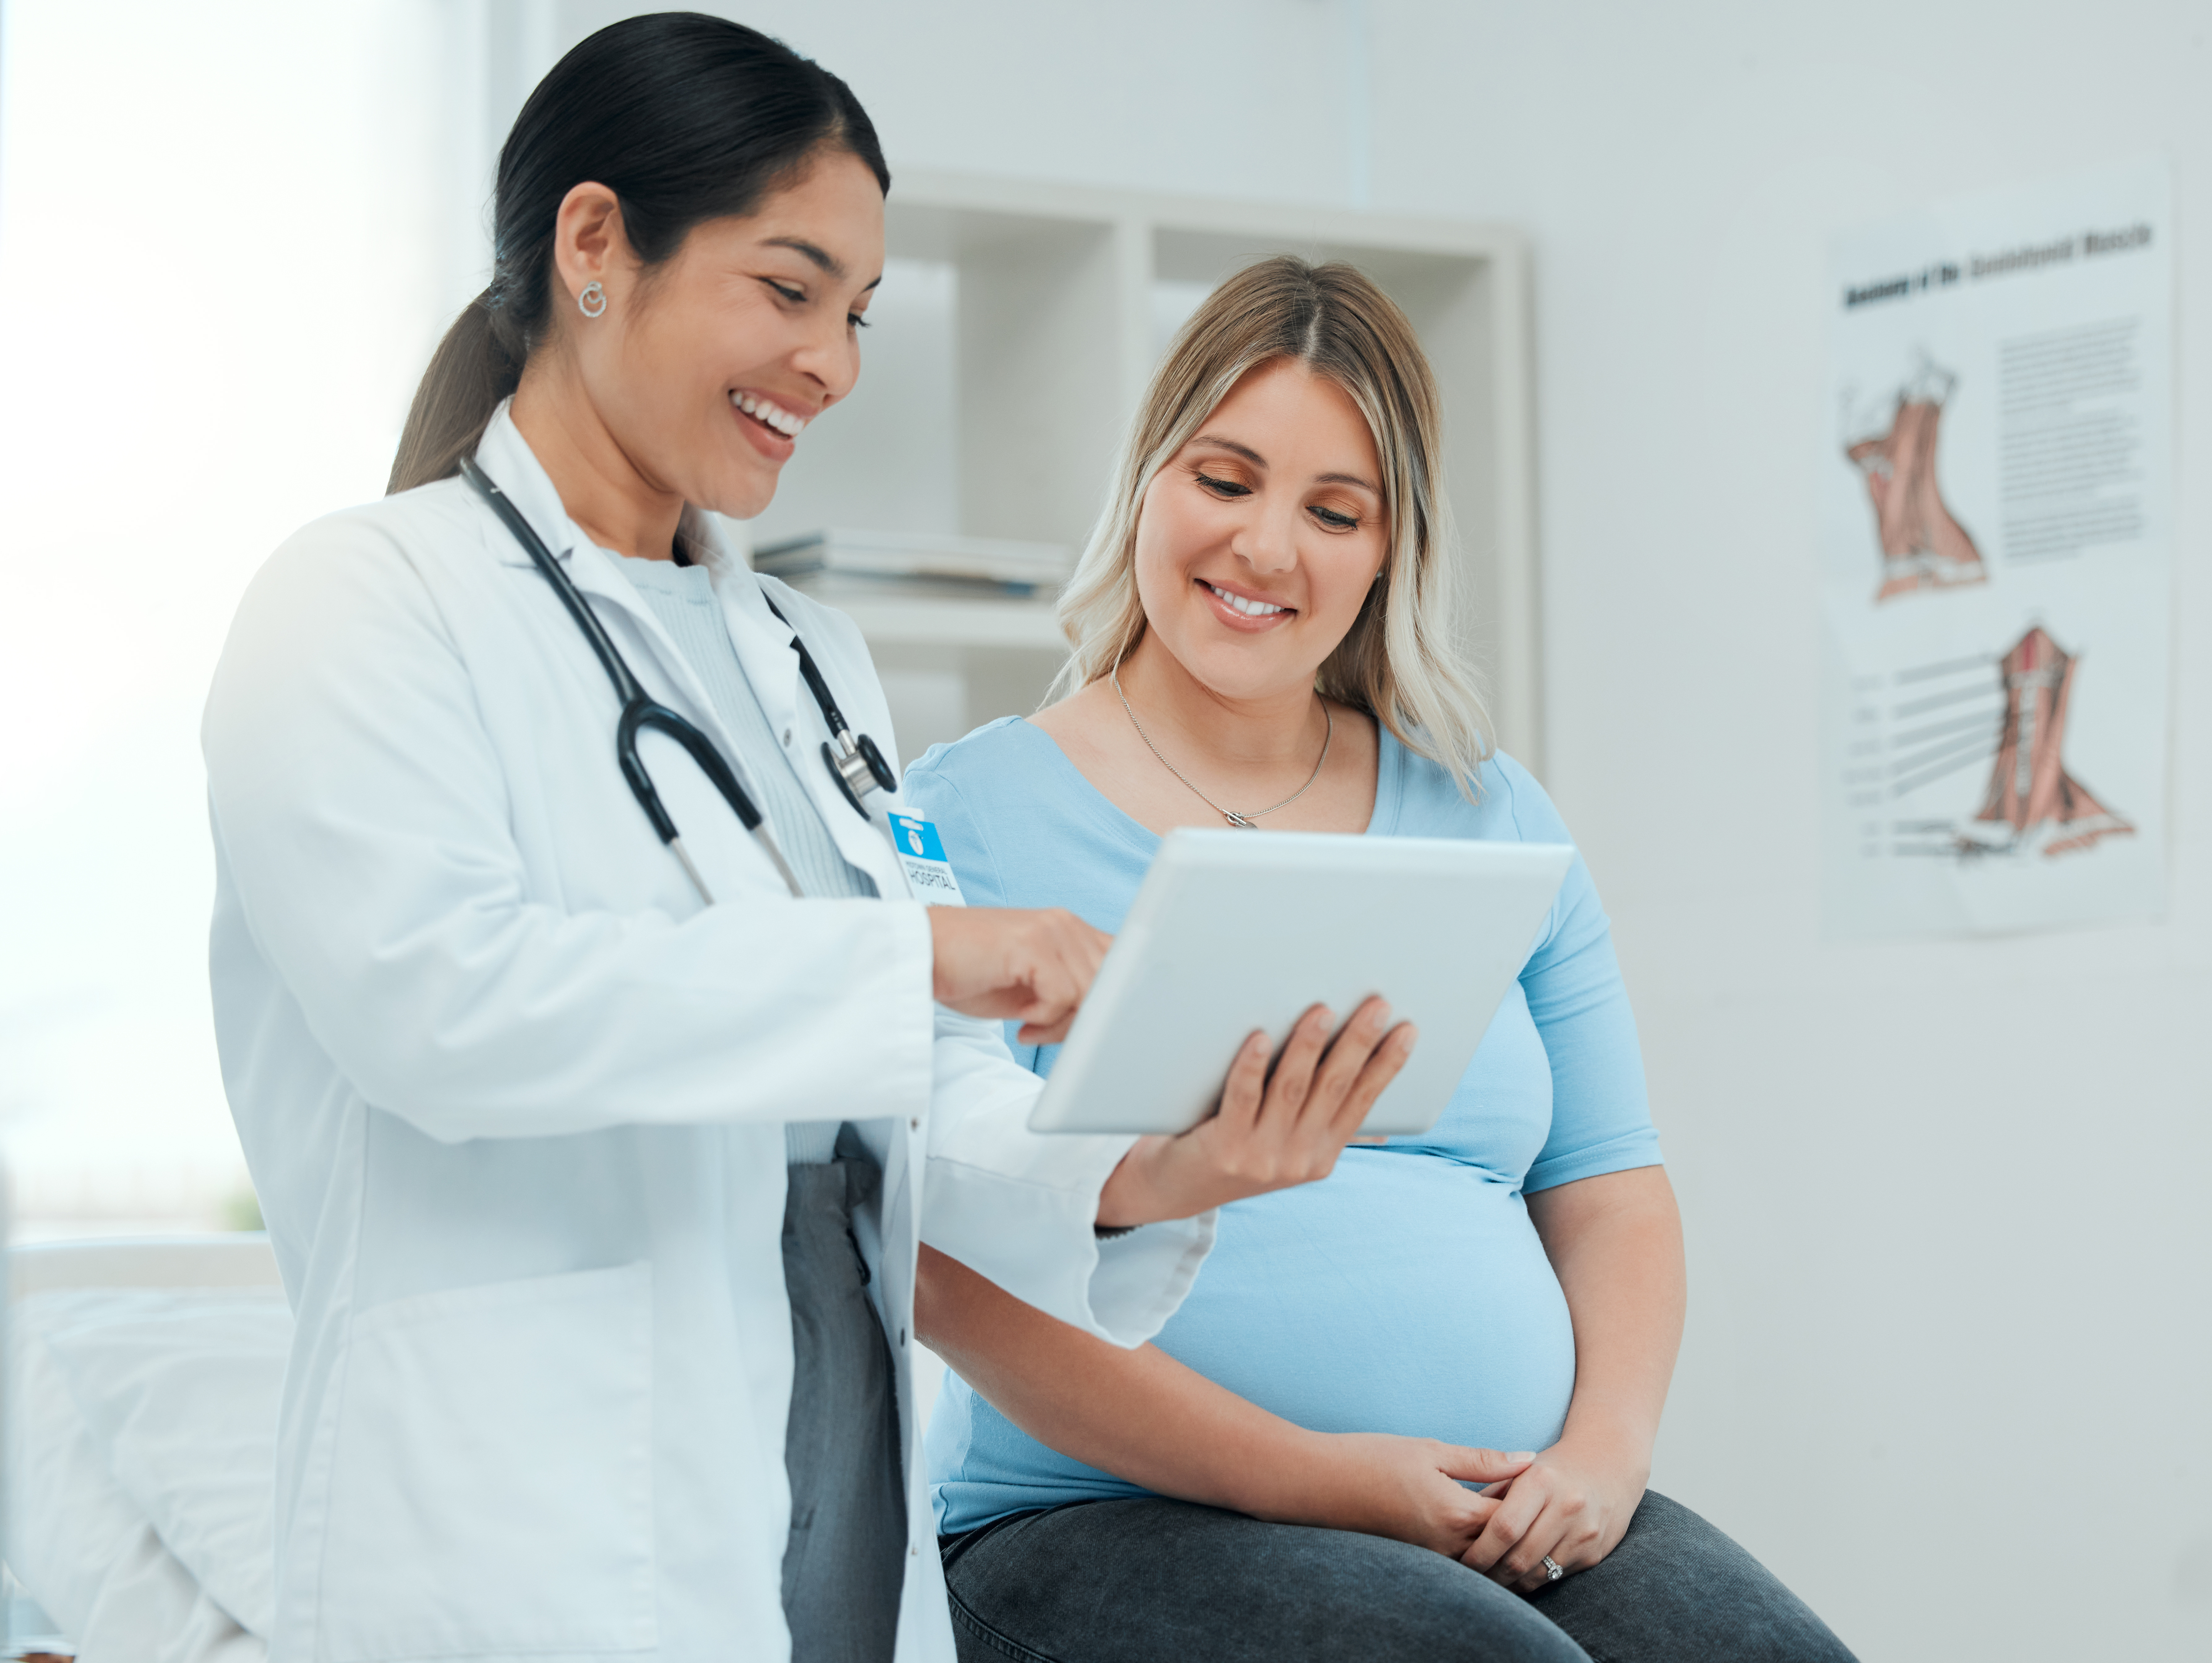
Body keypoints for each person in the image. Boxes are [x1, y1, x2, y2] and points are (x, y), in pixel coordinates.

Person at [200, 21, 1414, 1661]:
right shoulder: (364, 603)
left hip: (830, 1521)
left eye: (855, 313)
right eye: (788, 290)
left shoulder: (808, 661)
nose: (834, 363)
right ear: (593, 246)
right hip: (528, 1546)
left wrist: (1149, 1171)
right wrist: (917, 953)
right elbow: (441, 1010)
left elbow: (906, 1075)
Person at [907, 257, 1857, 1663]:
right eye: (1225, 480)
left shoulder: (1491, 810)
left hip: (1502, 1493)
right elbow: (941, 1274)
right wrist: (1330, 1476)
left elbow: (1608, 1188)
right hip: (1099, 1514)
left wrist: (1603, 1459)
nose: (1267, 549)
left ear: (1392, 545)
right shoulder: (957, 817)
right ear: (1148, 482)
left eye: (1333, 510)